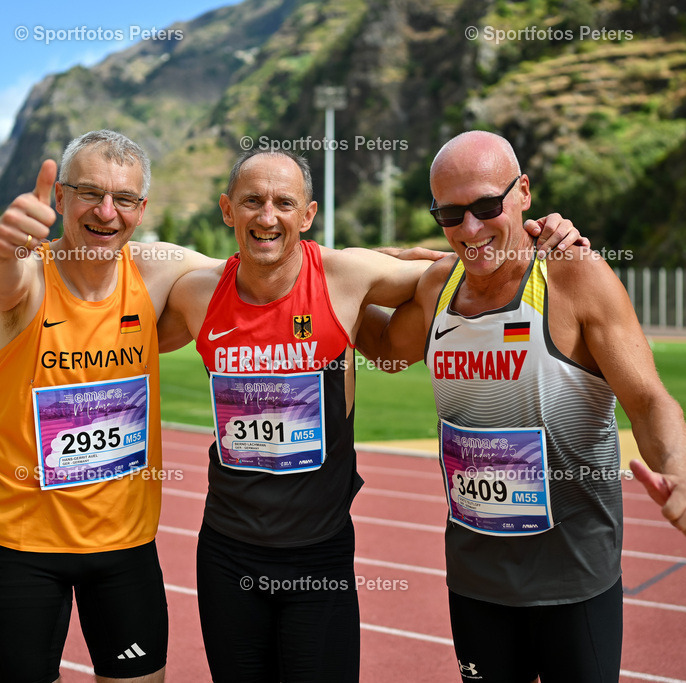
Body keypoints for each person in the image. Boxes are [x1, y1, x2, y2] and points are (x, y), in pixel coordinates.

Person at [156, 147, 586, 682]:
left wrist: (545, 235)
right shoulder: (197, 294)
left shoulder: (344, 275)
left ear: (307, 216)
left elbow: (459, 263)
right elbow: (122, 335)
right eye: (252, 202)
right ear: (227, 210)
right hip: (226, 553)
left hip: (318, 554)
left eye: (284, 203)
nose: (267, 216)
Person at [359, 130, 686, 683]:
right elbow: (384, 349)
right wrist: (324, 283)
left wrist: (682, 478)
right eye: (450, 215)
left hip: (572, 582)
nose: (471, 229)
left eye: (485, 206)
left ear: (523, 192)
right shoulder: (439, 286)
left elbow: (648, 401)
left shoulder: (573, 276)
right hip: (477, 584)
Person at [0, 129, 218, 683]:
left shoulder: (154, 270)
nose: (106, 212)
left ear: (141, 209)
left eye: (124, 198)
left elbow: (255, 266)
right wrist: (0, 239)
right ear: (59, 197)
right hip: (23, 546)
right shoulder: (30, 275)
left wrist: (392, 263)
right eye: (89, 193)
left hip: (124, 549)